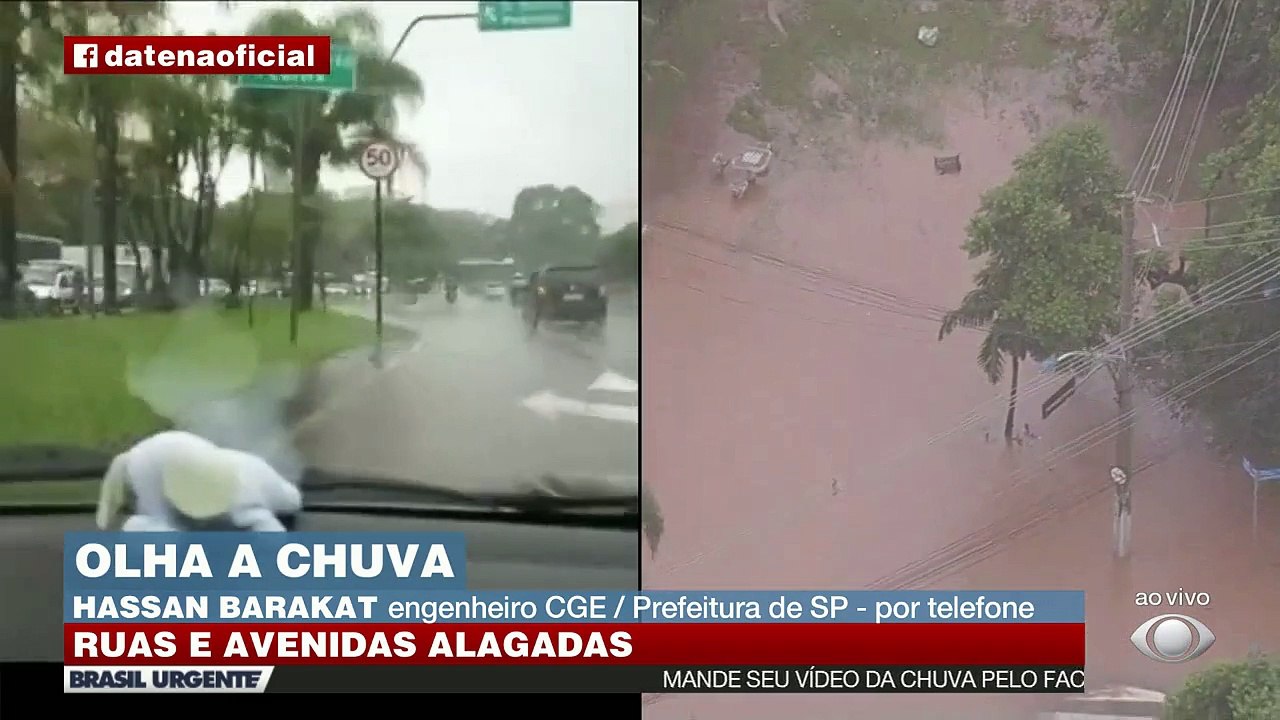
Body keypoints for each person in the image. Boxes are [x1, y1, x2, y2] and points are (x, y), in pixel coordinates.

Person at [96, 430, 303, 532]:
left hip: (186, 456)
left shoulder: (243, 494)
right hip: (165, 461)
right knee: (162, 521)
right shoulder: (247, 488)